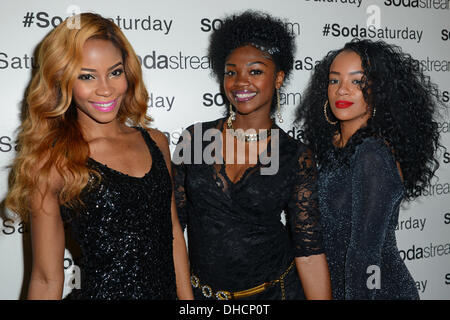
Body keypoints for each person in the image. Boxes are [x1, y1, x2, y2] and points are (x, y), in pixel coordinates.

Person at [5, 13, 193, 300]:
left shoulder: (156, 142)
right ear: (61, 80)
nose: (106, 88)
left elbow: (174, 235)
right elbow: (45, 278)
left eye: (115, 72)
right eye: (87, 76)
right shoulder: (52, 161)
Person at [172, 11, 331, 300]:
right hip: (201, 296)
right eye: (231, 72)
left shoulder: (295, 156)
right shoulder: (194, 139)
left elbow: (308, 250)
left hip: (276, 294)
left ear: (279, 78)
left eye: (255, 71)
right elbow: (172, 228)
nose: (240, 82)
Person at [295, 38, 444, 299]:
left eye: (357, 81)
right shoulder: (331, 146)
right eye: (334, 80)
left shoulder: (372, 153)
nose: (342, 90)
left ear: (378, 90)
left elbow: (365, 254)